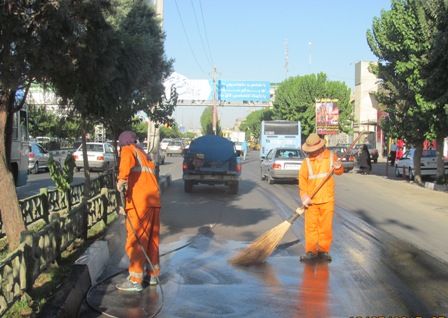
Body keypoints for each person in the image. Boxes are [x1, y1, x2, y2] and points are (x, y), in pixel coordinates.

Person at [115, 131, 161, 292]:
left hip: (140, 201)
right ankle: (152, 274)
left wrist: (121, 180)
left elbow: (126, 166)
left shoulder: (128, 149)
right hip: (153, 200)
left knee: (137, 240)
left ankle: (135, 280)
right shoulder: (143, 154)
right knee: (151, 239)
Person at [299, 133, 343, 262]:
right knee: (311, 226)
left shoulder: (331, 156)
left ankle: (324, 251)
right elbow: (302, 179)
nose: (312, 153)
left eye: (314, 150)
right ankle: (311, 251)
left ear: (320, 147)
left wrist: (339, 167)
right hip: (311, 200)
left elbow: (339, 172)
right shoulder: (306, 162)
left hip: (327, 198)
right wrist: (304, 195)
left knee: (325, 226)